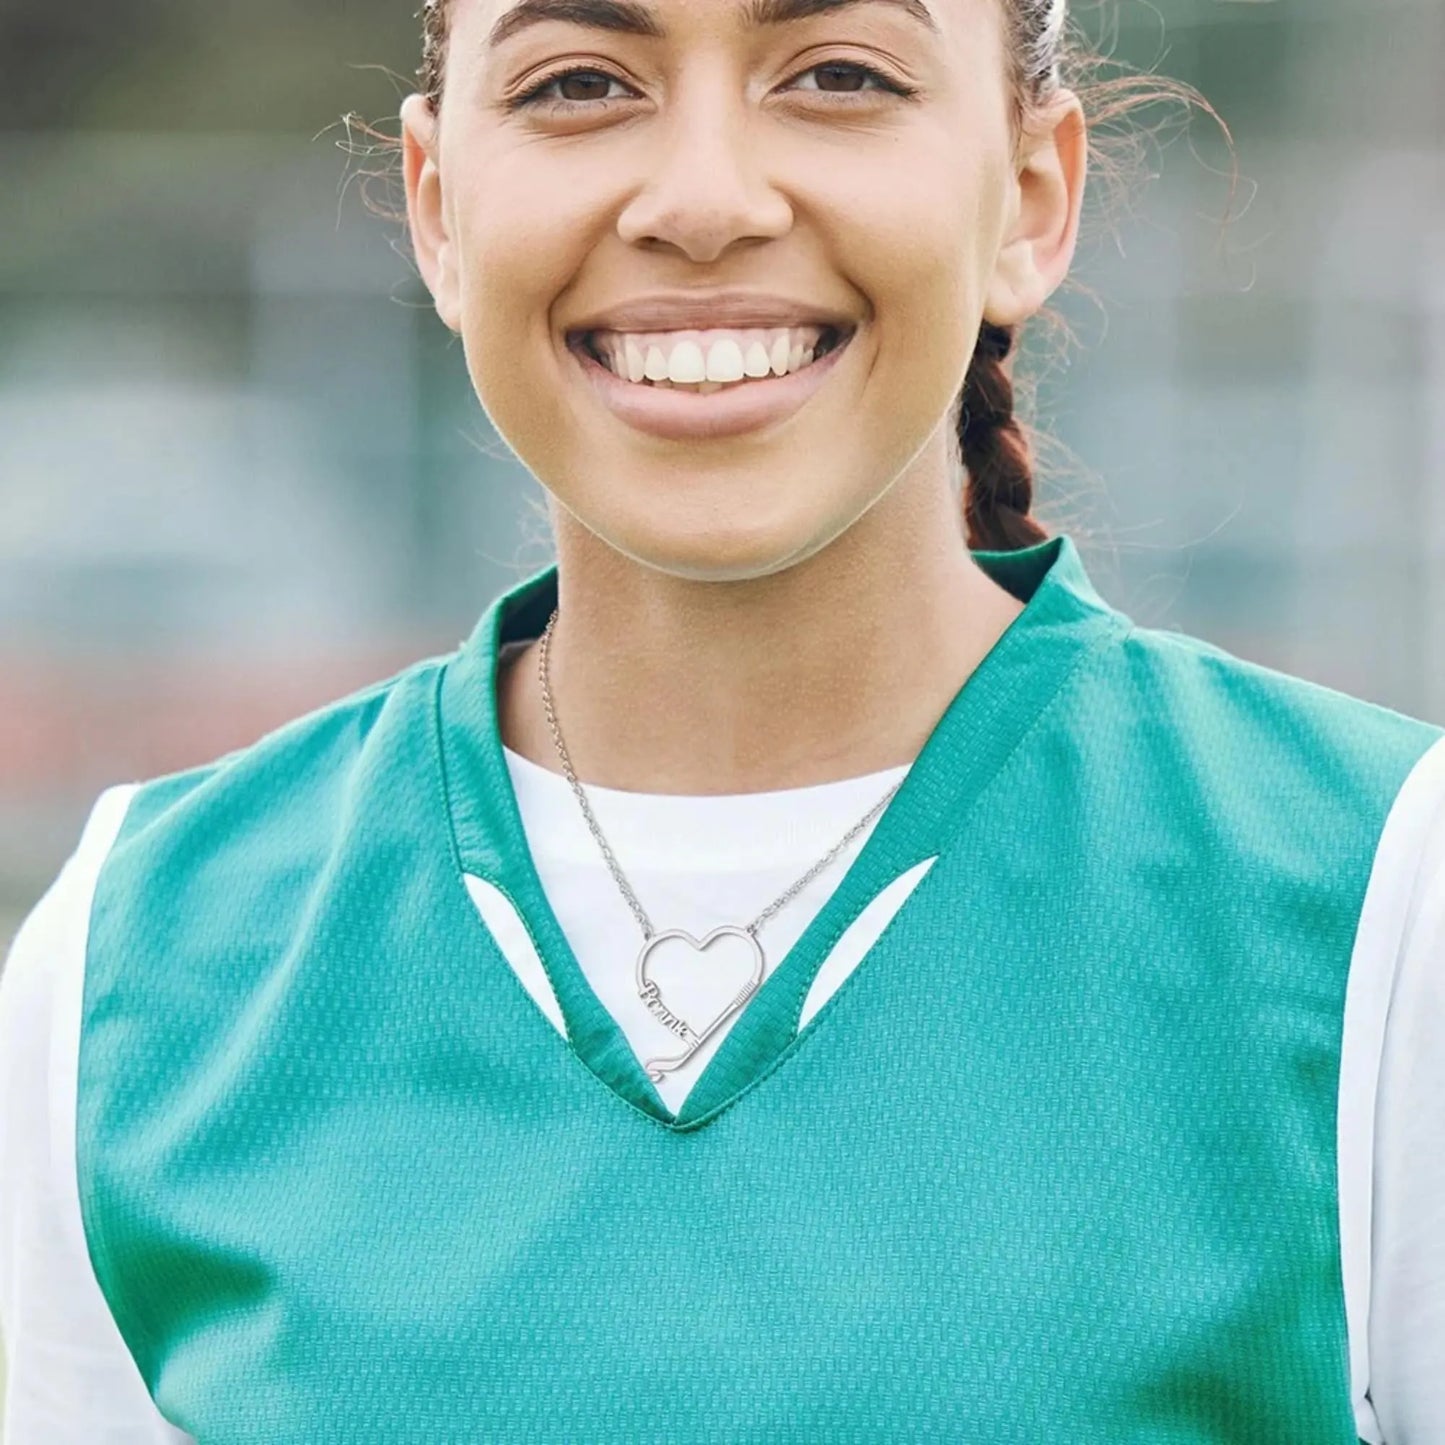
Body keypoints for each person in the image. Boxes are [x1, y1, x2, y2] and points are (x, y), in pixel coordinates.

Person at [1, 0, 1441, 1439]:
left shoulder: (1381, 902)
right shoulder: (136, 962)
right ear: (439, 210)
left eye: (837, 74)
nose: (701, 199)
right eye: (577, 81)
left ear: (1028, 198)